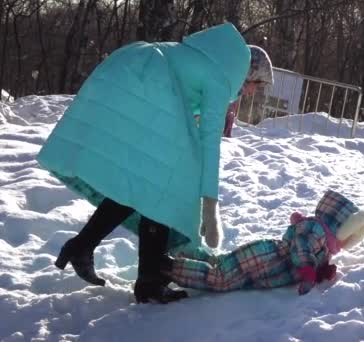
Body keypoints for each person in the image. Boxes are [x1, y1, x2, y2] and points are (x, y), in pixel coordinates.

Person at [37, 23, 273, 304]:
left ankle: (84, 247)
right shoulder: (219, 79)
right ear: (246, 72)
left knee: (143, 182)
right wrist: (210, 204)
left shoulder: (207, 63)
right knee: (161, 184)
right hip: (145, 84)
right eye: (253, 85)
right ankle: (149, 280)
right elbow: (210, 143)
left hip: (131, 73)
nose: (249, 93)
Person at [161, 190, 364, 296]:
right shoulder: (316, 229)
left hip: (263, 263)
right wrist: (309, 270)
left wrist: (321, 270)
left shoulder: (324, 241)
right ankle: (165, 267)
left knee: (220, 262)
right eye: (350, 234)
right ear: (340, 226)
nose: (348, 241)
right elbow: (301, 245)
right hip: (264, 260)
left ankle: (183, 251)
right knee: (220, 279)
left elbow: (312, 252)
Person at [222, 45, 274, 137]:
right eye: (257, 85)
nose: (253, 91)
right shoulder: (223, 94)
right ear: (250, 75)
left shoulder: (231, 97)